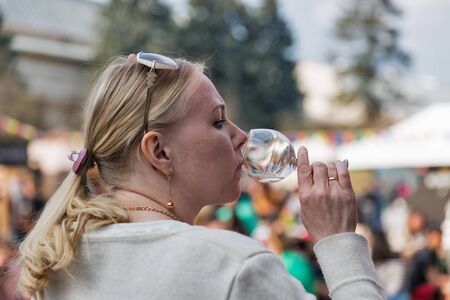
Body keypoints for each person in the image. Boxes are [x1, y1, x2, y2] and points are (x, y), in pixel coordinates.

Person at [18, 52, 386, 300]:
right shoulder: (233, 266)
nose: (241, 136)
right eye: (218, 121)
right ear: (159, 152)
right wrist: (338, 241)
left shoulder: (58, 258)